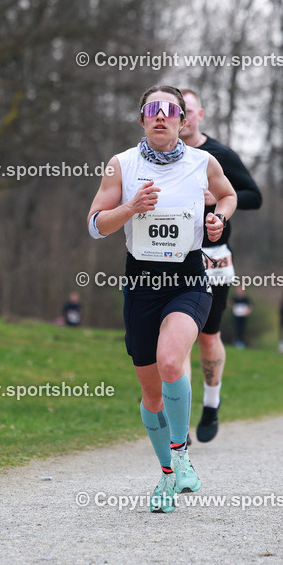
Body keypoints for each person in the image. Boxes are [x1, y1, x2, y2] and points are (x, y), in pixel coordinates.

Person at [86, 85, 237, 513]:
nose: (161, 116)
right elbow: (96, 225)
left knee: (173, 361)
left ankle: (176, 461)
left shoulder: (203, 162)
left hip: (189, 279)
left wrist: (217, 221)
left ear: (182, 121)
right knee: (150, 398)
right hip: (141, 286)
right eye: (152, 109)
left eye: (170, 110)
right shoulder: (121, 166)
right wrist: (131, 208)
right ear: (141, 119)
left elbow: (229, 196)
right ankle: (174, 468)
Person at [179, 88, 262, 443]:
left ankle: (211, 403)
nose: (183, 117)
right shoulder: (161, 155)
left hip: (213, 257)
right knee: (175, 337)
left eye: (189, 110)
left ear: (200, 115)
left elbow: (254, 197)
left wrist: (219, 197)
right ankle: (176, 406)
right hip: (170, 255)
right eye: (177, 111)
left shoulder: (219, 155)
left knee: (208, 335)